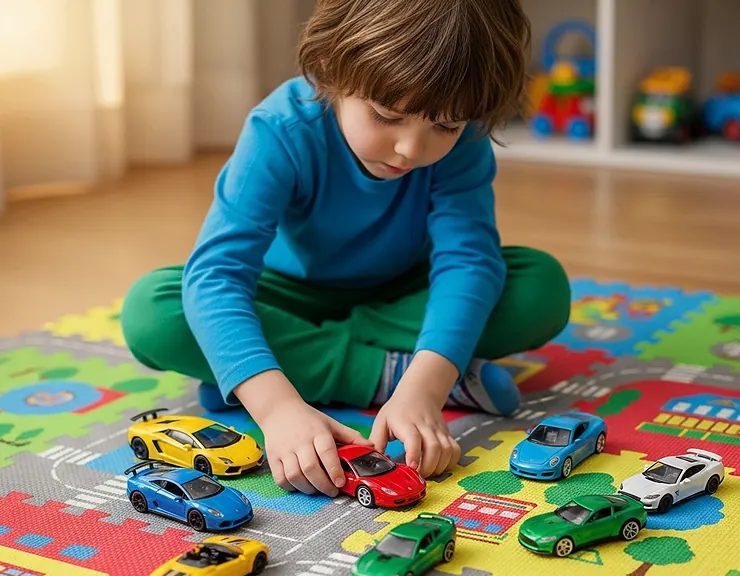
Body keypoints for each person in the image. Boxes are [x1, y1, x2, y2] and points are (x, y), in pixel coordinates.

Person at [121, 0, 571, 500]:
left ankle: (278, 370)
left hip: (406, 294)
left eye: (445, 126)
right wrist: (276, 409)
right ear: (335, 69)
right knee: (153, 311)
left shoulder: (464, 143)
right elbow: (217, 274)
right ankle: (381, 373)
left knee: (540, 288)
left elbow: (467, 261)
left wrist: (425, 389)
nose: (411, 149)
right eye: (387, 115)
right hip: (287, 296)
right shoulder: (281, 130)